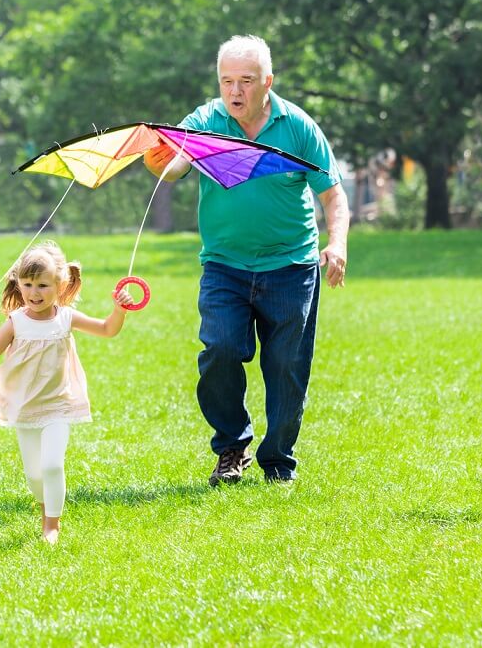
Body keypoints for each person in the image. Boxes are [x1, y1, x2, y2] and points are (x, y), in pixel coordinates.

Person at [143, 34, 350, 486]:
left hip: (291, 267)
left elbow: (333, 196)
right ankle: (231, 447)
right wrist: (159, 160)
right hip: (224, 265)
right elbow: (177, 165)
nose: (235, 92)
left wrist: (337, 244)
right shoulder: (204, 120)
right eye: (227, 81)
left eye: (246, 81)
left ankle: (278, 461)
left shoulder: (297, 127)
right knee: (218, 350)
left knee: (287, 370)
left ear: (267, 82)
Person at [0, 241, 134, 543]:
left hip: (59, 404)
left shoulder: (66, 317)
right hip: (25, 407)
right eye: (28, 285)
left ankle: (52, 526)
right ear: (19, 285)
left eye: (43, 285)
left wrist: (119, 309)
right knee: (35, 476)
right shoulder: (15, 322)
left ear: (61, 285)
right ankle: (45, 506)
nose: (35, 293)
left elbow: (107, 329)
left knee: (51, 465)